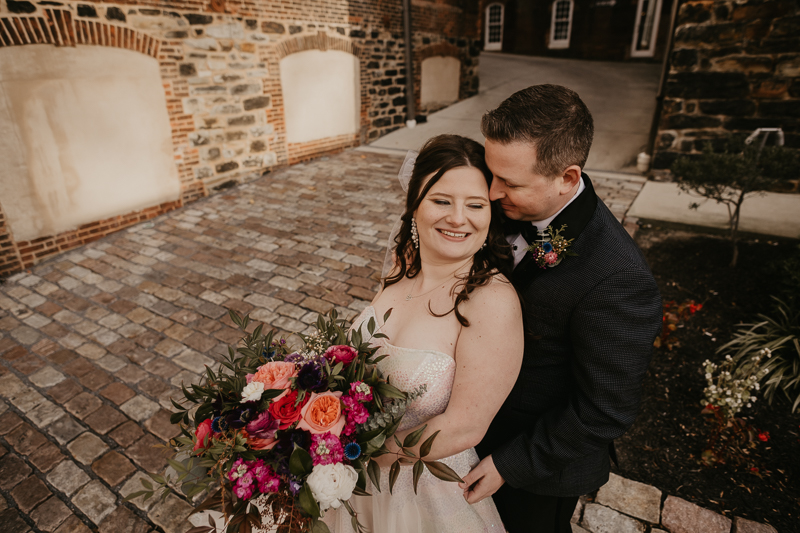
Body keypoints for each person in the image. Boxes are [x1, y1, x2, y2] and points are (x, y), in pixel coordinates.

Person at [459, 85, 663, 532]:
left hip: (534, 468)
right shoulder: (504, 202)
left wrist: (510, 465)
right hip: (465, 428)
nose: (490, 193)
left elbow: (605, 409)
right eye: (492, 174)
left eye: (509, 183)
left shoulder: (619, 278)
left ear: (567, 179)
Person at [324, 134, 524, 533]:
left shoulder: (491, 299)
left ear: (491, 213)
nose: (457, 218)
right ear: (414, 204)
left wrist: (349, 453)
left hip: (421, 494)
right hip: (343, 481)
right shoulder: (403, 266)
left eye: (475, 204)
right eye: (441, 200)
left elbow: (465, 425)